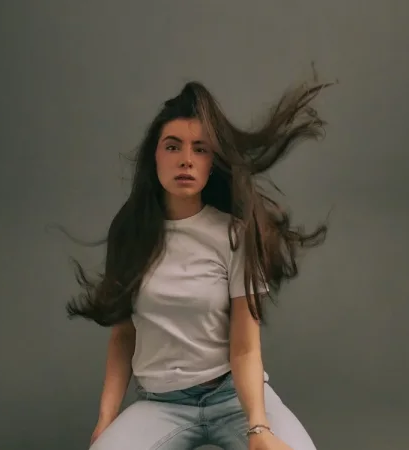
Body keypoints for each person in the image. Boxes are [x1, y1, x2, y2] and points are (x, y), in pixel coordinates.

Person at [66, 75, 332, 449]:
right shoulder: (130, 235)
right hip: (162, 404)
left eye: (200, 149)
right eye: (173, 146)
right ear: (155, 157)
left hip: (233, 398)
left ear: (212, 162)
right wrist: (105, 421)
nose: (186, 160)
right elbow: (123, 337)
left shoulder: (235, 235)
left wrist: (258, 426)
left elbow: (245, 348)